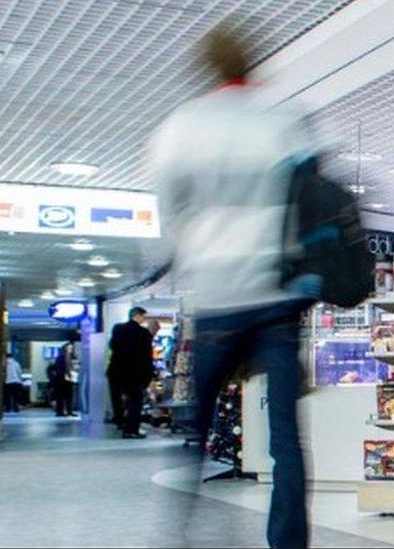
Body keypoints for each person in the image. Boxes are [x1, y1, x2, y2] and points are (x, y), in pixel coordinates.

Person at [147, 26, 319, 548]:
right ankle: (288, 542)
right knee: (286, 440)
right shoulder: (285, 120)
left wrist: (191, 254)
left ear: (207, 67)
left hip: (219, 296)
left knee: (196, 431)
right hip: (277, 296)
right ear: (254, 61)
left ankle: (177, 532)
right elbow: (310, 200)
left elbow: (170, 212)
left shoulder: (181, 128)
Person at [108, 307, 153, 439]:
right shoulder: (144, 333)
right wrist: (148, 374)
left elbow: (112, 346)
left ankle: (119, 421)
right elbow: (146, 356)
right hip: (135, 373)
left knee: (117, 399)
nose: (144, 319)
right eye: (143, 316)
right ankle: (131, 430)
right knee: (135, 402)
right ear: (137, 316)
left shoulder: (118, 329)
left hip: (116, 371)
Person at [53, 343, 79, 417]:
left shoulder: (71, 357)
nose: (70, 349)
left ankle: (67, 411)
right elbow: (60, 368)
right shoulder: (61, 357)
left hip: (67, 378)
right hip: (62, 378)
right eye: (69, 348)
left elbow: (75, 368)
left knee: (68, 396)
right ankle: (62, 411)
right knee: (63, 396)